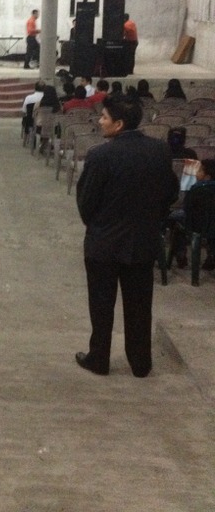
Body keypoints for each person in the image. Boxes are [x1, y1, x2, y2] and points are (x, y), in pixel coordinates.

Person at [75, 94, 178, 377]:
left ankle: (99, 359)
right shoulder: (160, 151)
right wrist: (150, 219)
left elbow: (86, 202)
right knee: (140, 306)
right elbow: (170, 192)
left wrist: (98, 225)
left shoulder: (100, 156)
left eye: (104, 117)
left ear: (118, 124)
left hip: (104, 243)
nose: (100, 121)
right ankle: (140, 363)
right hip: (143, 241)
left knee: (101, 305)